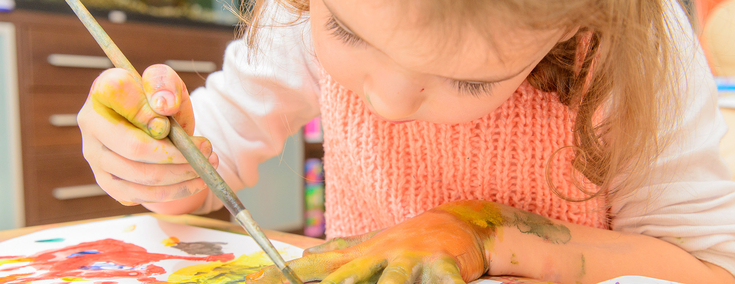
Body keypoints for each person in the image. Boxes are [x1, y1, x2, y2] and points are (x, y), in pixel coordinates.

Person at [77, 0, 735, 282]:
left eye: (468, 81)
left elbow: (708, 270)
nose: (387, 104)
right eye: (347, 35)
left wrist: (485, 233)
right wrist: (156, 154)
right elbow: (212, 153)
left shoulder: (629, 50)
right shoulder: (304, 12)